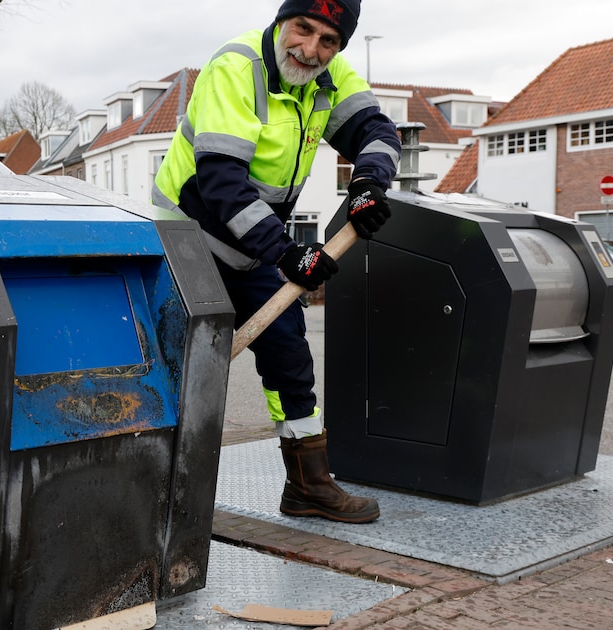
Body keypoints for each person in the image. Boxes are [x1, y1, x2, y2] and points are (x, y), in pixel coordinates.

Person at [152, 0, 399, 523]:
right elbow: (220, 181)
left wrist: (366, 185)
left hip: (255, 244)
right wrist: (286, 252)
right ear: (282, 21)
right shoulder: (236, 69)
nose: (310, 50)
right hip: (188, 239)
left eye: (327, 41)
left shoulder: (331, 79)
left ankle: (307, 487)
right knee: (179, 362)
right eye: (302, 29)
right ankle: (152, 486)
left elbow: (377, 132)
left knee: (290, 359)